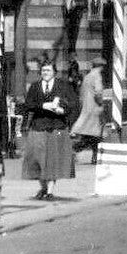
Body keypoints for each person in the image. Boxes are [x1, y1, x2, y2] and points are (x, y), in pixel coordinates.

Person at [22, 61, 79, 199]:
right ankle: (43, 187)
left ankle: (50, 191)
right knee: (36, 159)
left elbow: (74, 103)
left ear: (54, 72)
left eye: (48, 70)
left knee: (53, 160)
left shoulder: (63, 86)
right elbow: (28, 104)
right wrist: (43, 106)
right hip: (38, 127)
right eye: (43, 71)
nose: (45, 73)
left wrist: (62, 110)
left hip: (57, 127)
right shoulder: (35, 87)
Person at [71, 56, 107, 164]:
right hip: (94, 109)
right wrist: (101, 104)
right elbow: (98, 92)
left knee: (93, 135)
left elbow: (81, 93)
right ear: (100, 67)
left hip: (86, 108)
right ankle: (74, 150)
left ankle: (95, 157)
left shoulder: (87, 77)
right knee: (93, 135)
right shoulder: (97, 76)